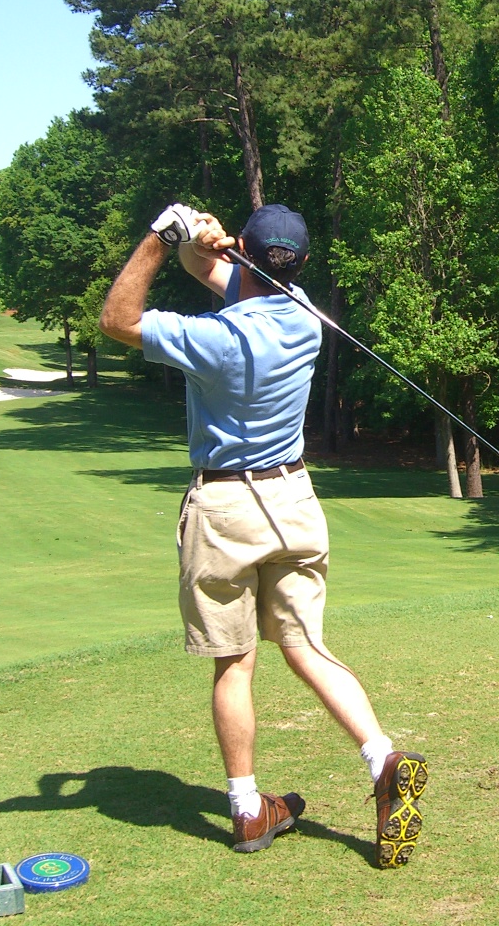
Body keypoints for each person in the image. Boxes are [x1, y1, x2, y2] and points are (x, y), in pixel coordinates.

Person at [99, 202, 428, 867]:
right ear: (299, 264)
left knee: (236, 659)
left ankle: (248, 809)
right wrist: (204, 239)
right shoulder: (305, 313)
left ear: (248, 252)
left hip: (225, 506)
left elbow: (117, 321)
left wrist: (164, 238)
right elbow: (218, 271)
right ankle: (380, 757)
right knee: (305, 644)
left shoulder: (215, 338)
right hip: (294, 499)